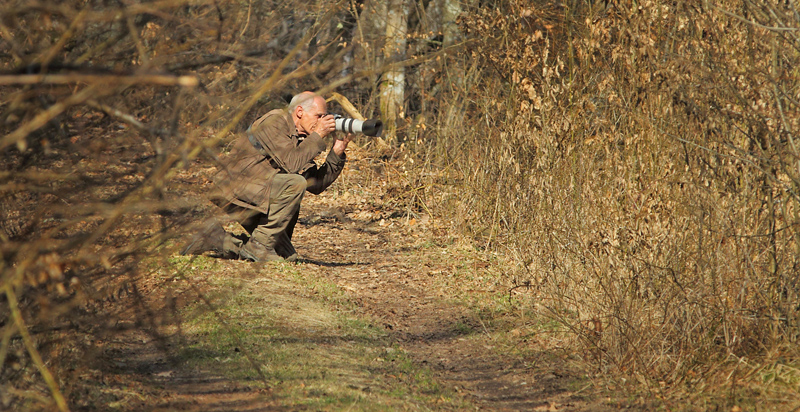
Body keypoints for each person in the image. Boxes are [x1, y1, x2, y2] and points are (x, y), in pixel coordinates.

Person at [182, 91, 353, 262]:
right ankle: (259, 246)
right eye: (319, 116)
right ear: (300, 112)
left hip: (260, 195)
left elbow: (315, 185)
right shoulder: (275, 121)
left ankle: (215, 238)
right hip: (235, 189)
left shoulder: (302, 138)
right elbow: (291, 164)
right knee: (295, 183)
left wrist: (337, 152)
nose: (323, 121)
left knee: (286, 256)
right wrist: (317, 136)